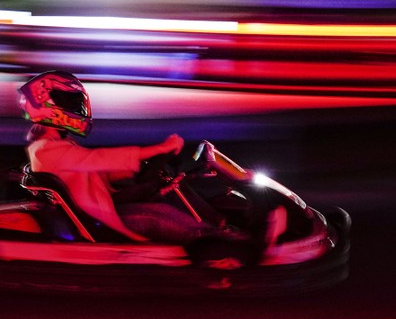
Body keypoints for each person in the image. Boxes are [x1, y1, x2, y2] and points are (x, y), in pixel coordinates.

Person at [17, 70, 245, 244]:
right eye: (70, 102)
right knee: (161, 214)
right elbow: (100, 158)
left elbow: (98, 171)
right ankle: (220, 242)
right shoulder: (46, 151)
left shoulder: (55, 147)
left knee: (166, 187)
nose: (77, 109)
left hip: (105, 207)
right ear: (47, 104)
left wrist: (141, 168)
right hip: (102, 221)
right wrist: (158, 149)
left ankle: (221, 225)